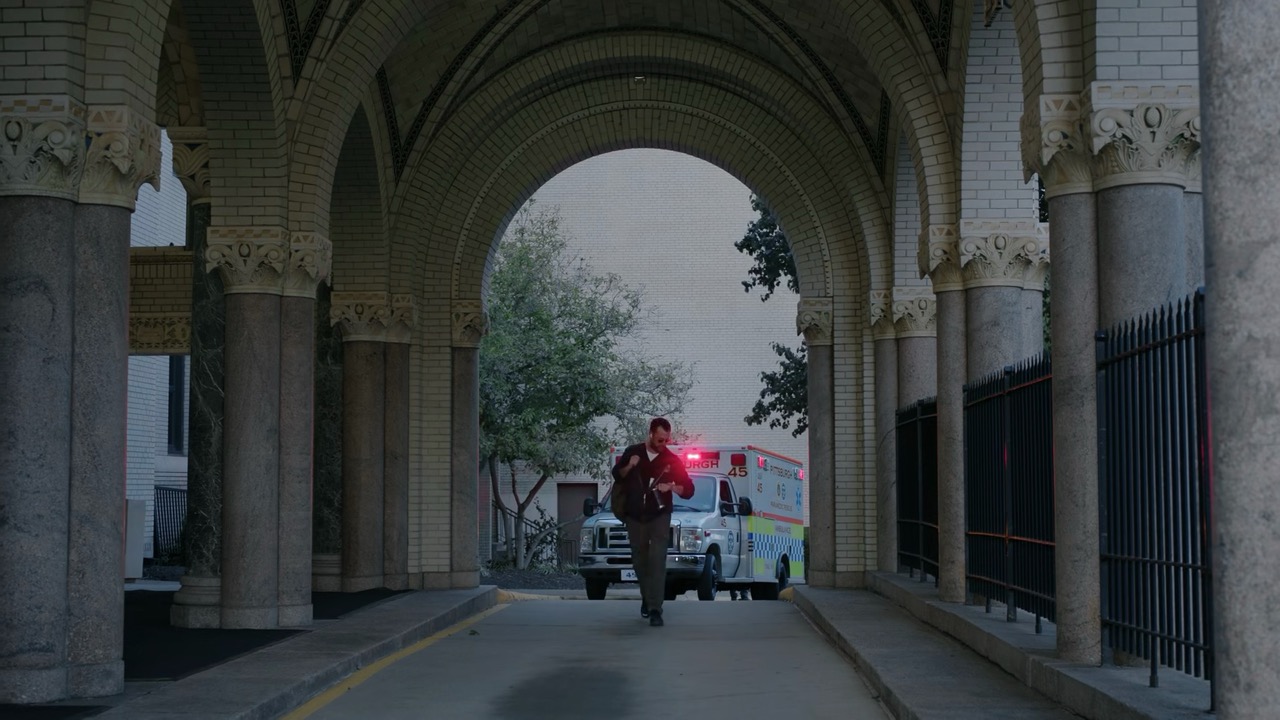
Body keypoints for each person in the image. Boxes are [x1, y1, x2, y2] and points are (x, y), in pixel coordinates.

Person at [611, 417, 694, 627]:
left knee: (657, 561)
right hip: (635, 515)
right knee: (640, 560)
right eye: (659, 440)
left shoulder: (671, 460)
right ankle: (647, 598)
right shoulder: (633, 452)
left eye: (666, 440)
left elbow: (689, 490)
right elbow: (617, 475)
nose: (663, 444)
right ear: (650, 434)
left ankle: (656, 609)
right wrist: (629, 466)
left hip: (659, 515)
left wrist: (672, 487)